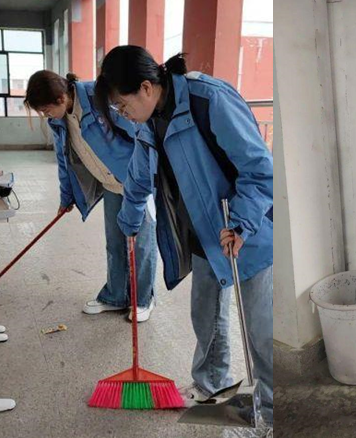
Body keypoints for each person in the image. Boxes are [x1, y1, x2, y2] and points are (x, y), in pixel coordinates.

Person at [93, 47, 273, 430]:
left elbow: (259, 169)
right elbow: (139, 174)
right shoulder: (147, 121)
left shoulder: (210, 100)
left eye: (123, 105)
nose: (123, 115)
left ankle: (270, 414)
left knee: (261, 331)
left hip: (245, 231)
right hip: (203, 234)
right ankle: (210, 385)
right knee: (206, 316)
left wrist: (242, 223)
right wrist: (129, 220)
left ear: (146, 87)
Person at [24, 70, 158, 322]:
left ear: (61, 98)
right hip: (110, 184)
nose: (46, 116)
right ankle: (116, 296)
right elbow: (64, 160)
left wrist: (145, 177)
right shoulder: (59, 121)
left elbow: (140, 132)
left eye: (47, 110)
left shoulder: (100, 97)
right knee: (115, 243)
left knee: (140, 245)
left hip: (135, 183)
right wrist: (66, 197)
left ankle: (142, 299)